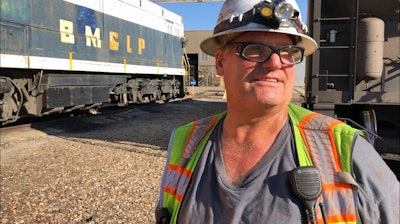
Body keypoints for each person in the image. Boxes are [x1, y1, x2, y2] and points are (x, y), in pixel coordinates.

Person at [155, 0, 400, 223]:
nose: (275, 64)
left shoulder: (345, 150)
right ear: (220, 62)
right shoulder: (185, 143)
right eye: (254, 49)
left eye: (287, 53)